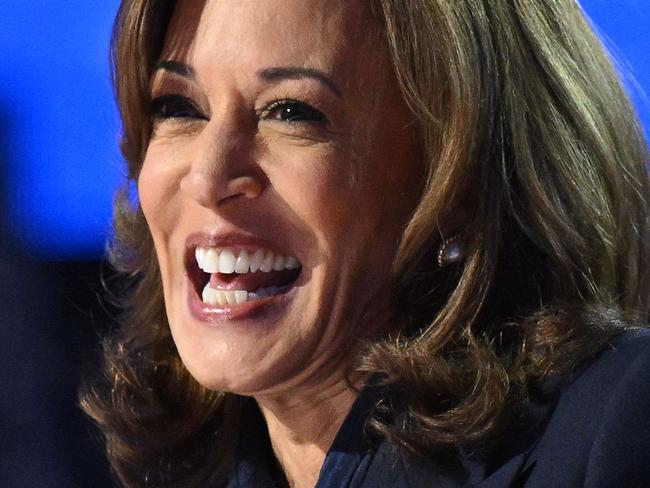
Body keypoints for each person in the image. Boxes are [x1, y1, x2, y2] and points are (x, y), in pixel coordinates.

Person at [81, 0, 650, 486]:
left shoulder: (619, 428)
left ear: (461, 181)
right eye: (179, 108)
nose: (207, 177)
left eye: (292, 113)